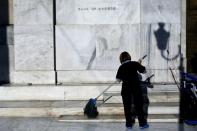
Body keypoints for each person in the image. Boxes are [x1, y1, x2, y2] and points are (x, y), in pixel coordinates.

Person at [116, 51, 149, 129]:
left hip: (125, 90)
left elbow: (118, 80)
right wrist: (138, 64)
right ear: (129, 57)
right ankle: (142, 124)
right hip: (135, 89)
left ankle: (129, 124)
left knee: (127, 107)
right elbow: (144, 71)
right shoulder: (135, 63)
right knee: (139, 106)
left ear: (121, 59)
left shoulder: (121, 67)